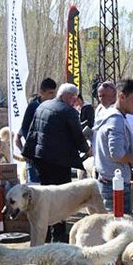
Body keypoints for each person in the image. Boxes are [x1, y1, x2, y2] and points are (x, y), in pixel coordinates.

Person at [22, 83, 89, 242]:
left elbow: (32, 130)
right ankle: (58, 235)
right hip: (59, 161)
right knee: (61, 198)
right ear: (67, 96)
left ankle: (42, 233)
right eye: (73, 98)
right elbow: (78, 136)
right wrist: (87, 150)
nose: (75, 101)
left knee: (44, 196)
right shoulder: (68, 111)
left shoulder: (43, 106)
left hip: (40, 158)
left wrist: (29, 153)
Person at [93, 79, 133, 213]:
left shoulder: (111, 115)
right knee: (119, 229)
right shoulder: (116, 119)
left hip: (111, 180)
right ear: (121, 96)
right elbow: (117, 153)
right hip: (114, 185)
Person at [15, 77, 57, 182]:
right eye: (50, 93)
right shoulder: (33, 107)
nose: (52, 96)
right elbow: (25, 128)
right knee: (35, 188)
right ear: (41, 92)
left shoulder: (55, 106)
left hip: (50, 155)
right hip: (34, 155)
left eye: (54, 93)